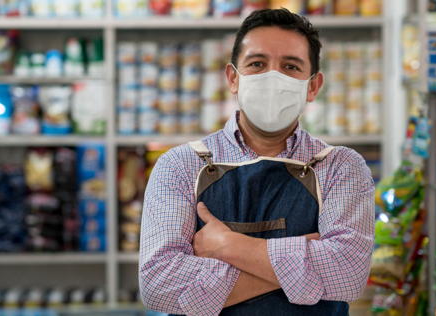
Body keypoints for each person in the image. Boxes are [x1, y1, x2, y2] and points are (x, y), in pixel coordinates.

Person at [139, 8, 375, 316]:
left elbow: (348, 276)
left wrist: (228, 247)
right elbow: (158, 286)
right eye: (257, 64)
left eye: (290, 66)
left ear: (313, 86)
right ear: (233, 78)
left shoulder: (341, 166)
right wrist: (306, 267)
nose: (272, 78)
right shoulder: (181, 165)